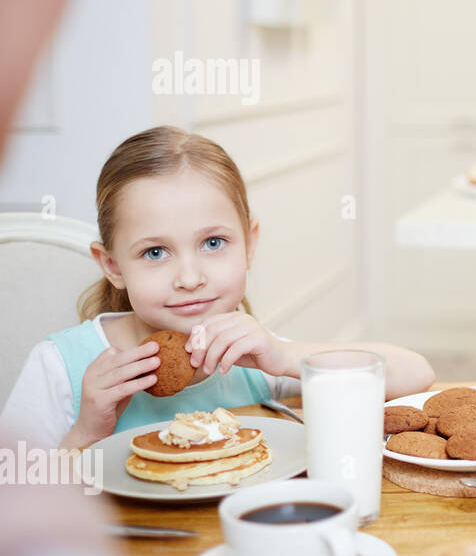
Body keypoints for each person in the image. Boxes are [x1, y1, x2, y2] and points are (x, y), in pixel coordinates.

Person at [1, 125, 436, 448]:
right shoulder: (60, 366)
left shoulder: (251, 356)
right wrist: (86, 431)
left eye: (213, 243)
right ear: (112, 265)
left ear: (249, 246)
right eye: (155, 252)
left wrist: (284, 357)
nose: (190, 279)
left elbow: (415, 375)